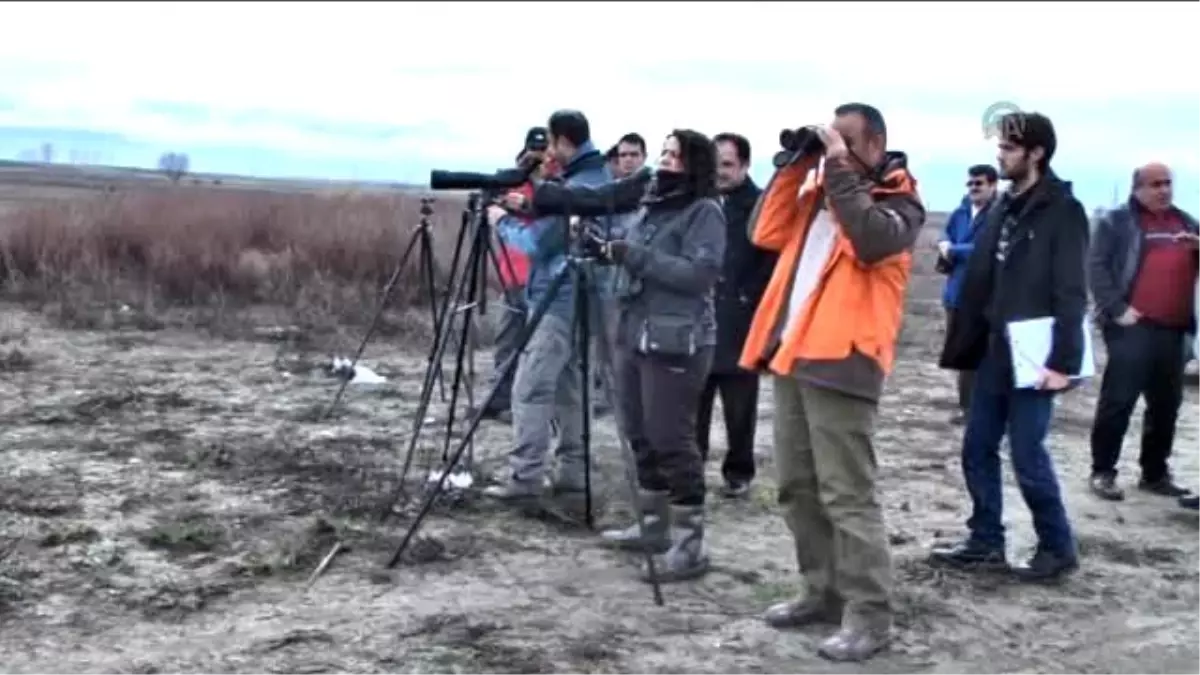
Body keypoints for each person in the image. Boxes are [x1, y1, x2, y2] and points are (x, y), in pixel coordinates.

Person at [738, 103, 926, 662]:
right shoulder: (821, 192)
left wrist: (839, 168)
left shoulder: (901, 204)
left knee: (848, 495)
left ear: (875, 144)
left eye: (845, 140)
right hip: (794, 355)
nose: (833, 148)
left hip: (844, 362)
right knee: (797, 485)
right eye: (830, 139)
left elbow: (869, 240)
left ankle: (870, 616)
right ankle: (820, 591)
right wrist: (797, 166)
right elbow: (763, 230)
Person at [934, 111, 1088, 584]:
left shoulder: (1063, 210)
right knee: (977, 447)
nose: (998, 155)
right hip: (992, 351)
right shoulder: (1003, 207)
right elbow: (982, 272)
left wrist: (1062, 362)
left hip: (1034, 354)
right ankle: (985, 543)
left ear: (1036, 152)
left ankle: (1057, 547)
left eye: (1007, 148)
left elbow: (1070, 290)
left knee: (1027, 454)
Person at [591, 130, 726, 583]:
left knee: (671, 436)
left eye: (674, 155)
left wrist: (635, 256)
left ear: (694, 165)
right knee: (638, 431)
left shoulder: (704, 211)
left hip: (677, 340)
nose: (665, 162)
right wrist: (610, 253)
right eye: (664, 153)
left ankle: (689, 546)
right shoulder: (652, 203)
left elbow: (699, 274)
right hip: (633, 331)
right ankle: (652, 526)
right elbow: (639, 260)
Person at [483, 110, 608, 502]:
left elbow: (541, 244)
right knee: (572, 391)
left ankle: (525, 481)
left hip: (558, 298)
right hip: (585, 302)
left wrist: (503, 221)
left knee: (531, 389)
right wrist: (531, 201)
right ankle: (573, 475)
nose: (548, 152)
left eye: (552, 144)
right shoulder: (594, 178)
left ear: (565, 142)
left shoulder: (577, 187)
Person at [1088, 162, 1198, 502]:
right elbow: (1096, 266)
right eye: (1155, 184)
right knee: (1118, 401)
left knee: (1166, 405)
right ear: (1138, 188)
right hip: (1133, 327)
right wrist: (1117, 309)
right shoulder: (1117, 222)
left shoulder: (1186, 221)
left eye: (1168, 183)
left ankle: (1154, 473)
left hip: (1175, 329)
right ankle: (1103, 471)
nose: (1164, 190)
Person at [695, 132, 773, 498]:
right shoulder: (698, 201)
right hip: (698, 318)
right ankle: (691, 467)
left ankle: (738, 473)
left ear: (743, 165)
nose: (720, 172)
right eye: (715, 165)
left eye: (726, 165)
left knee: (740, 405)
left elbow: (772, 260)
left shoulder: (761, 205)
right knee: (694, 399)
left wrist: (747, 298)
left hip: (741, 321)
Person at [474, 127, 552, 423]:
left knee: (537, 347)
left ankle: (528, 405)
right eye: (534, 152)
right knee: (507, 341)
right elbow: (492, 208)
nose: (539, 158)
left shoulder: (554, 185)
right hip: (512, 274)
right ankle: (498, 400)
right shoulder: (510, 182)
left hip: (543, 278)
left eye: (543, 152)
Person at [935, 164, 999, 423]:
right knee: (962, 354)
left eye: (979, 184)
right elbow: (945, 235)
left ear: (993, 185)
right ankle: (967, 408)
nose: (973, 188)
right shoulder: (960, 212)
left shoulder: (999, 214)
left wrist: (953, 250)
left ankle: (984, 409)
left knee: (985, 355)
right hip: (956, 293)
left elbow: (988, 248)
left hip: (985, 295)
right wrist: (943, 244)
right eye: (970, 184)